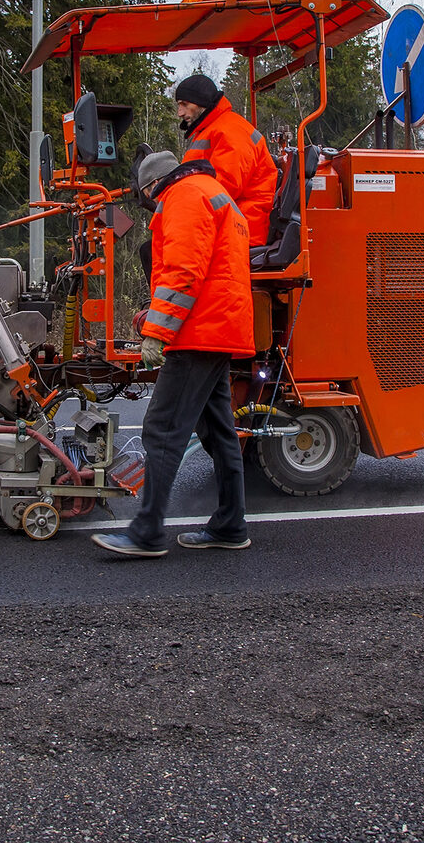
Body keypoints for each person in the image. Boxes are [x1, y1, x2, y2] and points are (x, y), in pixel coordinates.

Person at [93, 150, 255, 557]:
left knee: (162, 430)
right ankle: (231, 525)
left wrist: (157, 333)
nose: (150, 205)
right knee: (219, 434)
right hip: (221, 330)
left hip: (197, 334)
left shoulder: (183, 196)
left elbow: (182, 272)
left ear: (153, 186)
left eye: (147, 198)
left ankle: (145, 532)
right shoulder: (217, 193)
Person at [173, 73, 279, 248]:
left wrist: (183, 204)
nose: (180, 113)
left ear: (202, 102)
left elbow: (223, 188)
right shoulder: (211, 130)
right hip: (229, 220)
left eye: (185, 104)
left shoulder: (230, 131)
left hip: (241, 226)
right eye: (179, 105)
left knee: (172, 249)